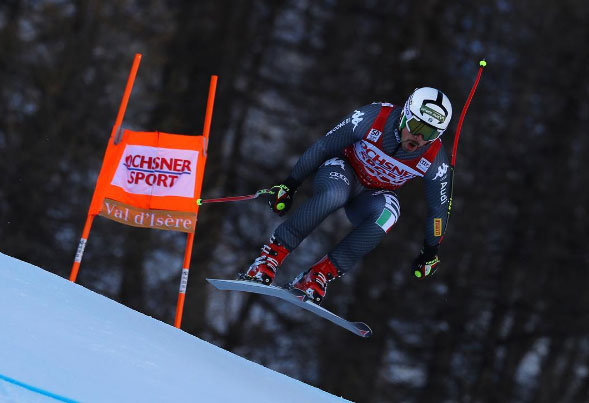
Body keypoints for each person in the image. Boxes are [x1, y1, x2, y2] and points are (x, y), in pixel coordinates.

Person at [240, 87, 453, 304]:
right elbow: (324, 146)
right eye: (417, 127)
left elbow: (439, 209)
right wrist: (290, 185)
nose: (418, 138)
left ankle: (318, 275)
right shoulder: (373, 117)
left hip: (373, 195)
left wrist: (430, 250)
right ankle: (269, 258)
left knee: (389, 215)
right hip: (343, 171)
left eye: (430, 134)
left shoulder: (435, 159)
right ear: (405, 114)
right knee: (334, 195)